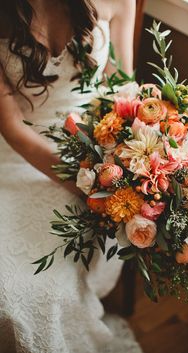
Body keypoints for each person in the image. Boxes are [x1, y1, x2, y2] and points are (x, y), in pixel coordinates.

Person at [0, 1, 140, 352]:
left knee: (43, 289)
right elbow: (11, 126)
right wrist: (82, 183)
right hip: (16, 153)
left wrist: (123, 166)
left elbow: (122, 90)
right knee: (10, 292)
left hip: (90, 149)